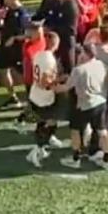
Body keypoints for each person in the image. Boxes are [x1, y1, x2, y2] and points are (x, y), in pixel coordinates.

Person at [56, 43, 108, 170]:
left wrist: (51, 88)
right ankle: (107, 160)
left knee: (75, 130)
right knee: (102, 131)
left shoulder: (79, 70)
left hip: (84, 105)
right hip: (100, 102)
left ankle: (76, 159)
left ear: (85, 54)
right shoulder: (103, 65)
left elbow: (66, 87)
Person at [25, 31, 63, 167]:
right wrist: (59, 81)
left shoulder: (39, 55)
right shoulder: (50, 60)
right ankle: (36, 151)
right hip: (44, 97)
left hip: (35, 95)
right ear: (56, 44)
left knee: (45, 123)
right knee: (48, 123)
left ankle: (42, 145)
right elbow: (44, 82)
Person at [33, 0, 79, 73]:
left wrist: (49, 29)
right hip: (50, 42)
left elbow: (71, 29)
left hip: (66, 42)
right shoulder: (48, 0)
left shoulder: (70, 4)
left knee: (69, 69)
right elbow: (39, 15)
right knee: (49, 68)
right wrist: (31, 21)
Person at [0, 0, 31, 109]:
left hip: (18, 50)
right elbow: (0, 25)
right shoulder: (7, 11)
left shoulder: (23, 14)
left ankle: (32, 99)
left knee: (26, 75)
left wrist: (14, 38)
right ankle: (13, 97)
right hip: (5, 48)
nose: (6, 0)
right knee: (3, 71)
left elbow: (28, 34)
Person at [16, 21, 48, 128]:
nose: (40, 32)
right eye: (37, 31)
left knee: (35, 103)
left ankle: (21, 120)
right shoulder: (28, 47)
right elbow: (33, 61)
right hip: (31, 80)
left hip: (39, 78)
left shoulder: (42, 40)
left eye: (40, 30)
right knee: (36, 103)